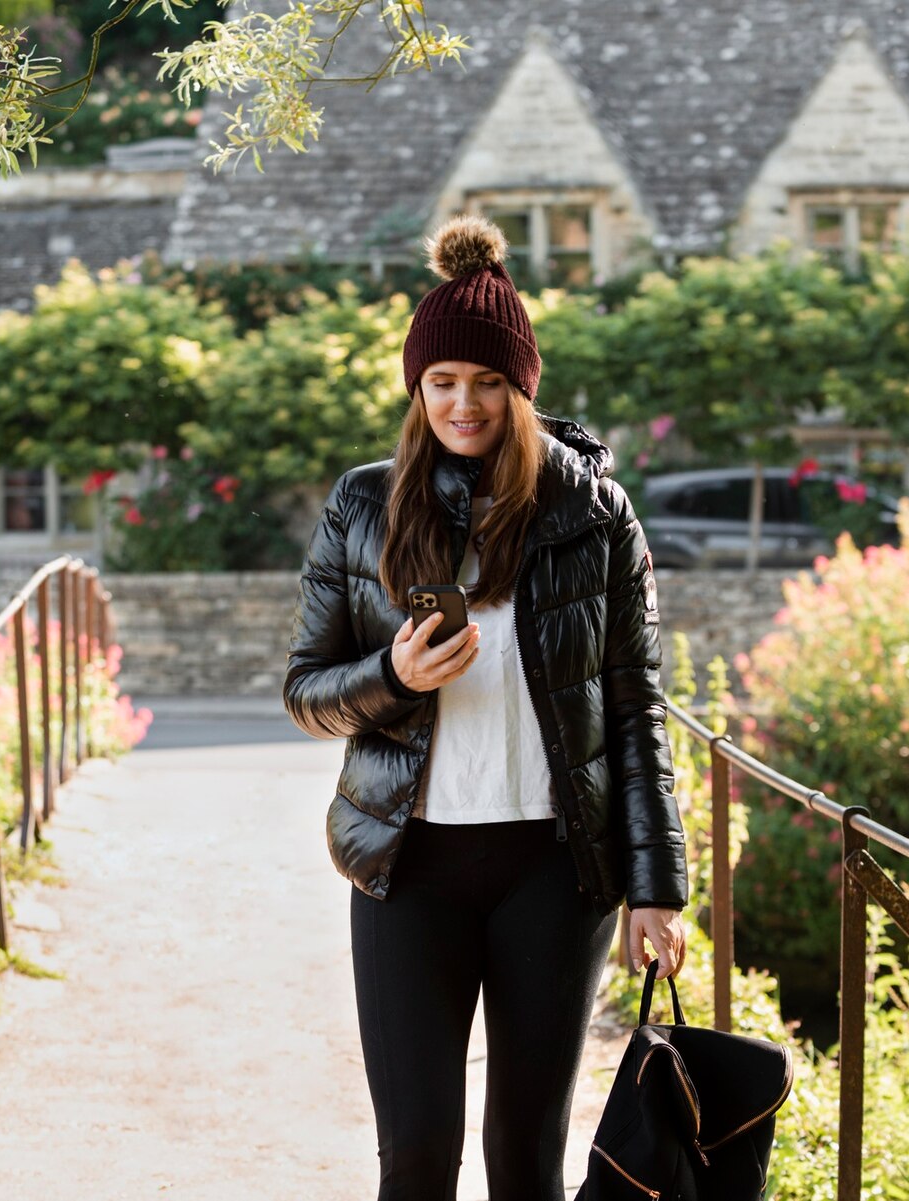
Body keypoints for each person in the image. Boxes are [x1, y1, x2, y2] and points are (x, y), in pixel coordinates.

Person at [282, 212, 688, 1200]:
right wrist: (392, 678)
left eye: (488, 382)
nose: (465, 403)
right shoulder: (363, 505)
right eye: (443, 382)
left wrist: (658, 885)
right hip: (405, 865)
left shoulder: (595, 514)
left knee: (524, 1159)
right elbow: (305, 691)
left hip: (554, 871)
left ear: (521, 387)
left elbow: (637, 706)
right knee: (415, 1155)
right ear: (419, 390)